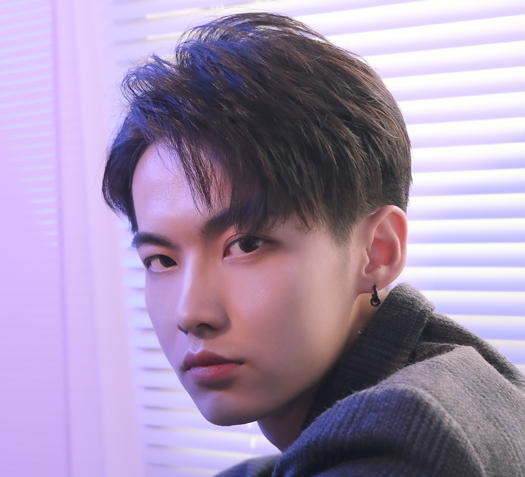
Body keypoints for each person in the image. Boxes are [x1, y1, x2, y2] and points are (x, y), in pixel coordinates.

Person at [102, 12, 525, 476]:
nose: (190, 314)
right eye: (161, 260)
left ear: (377, 251)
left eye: (246, 245)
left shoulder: (409, 439)